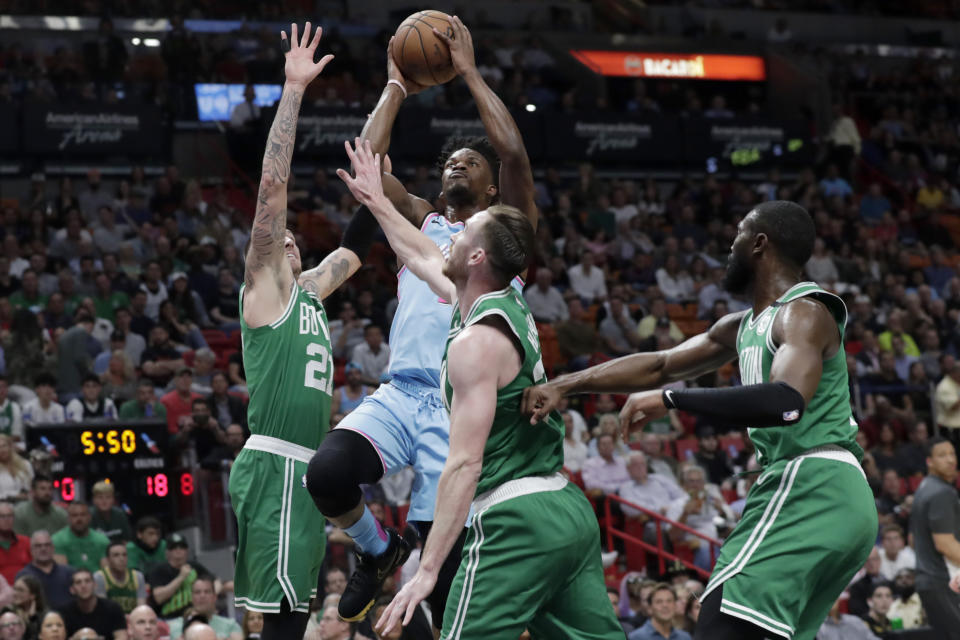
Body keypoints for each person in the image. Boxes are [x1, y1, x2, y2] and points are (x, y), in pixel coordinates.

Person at [523, 200, 877, 640]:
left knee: (720, 617)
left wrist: (674, 400)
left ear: (760, 244)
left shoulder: (802, 312)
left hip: (813, 481)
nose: (731, 246)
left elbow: (786, 401)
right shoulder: (745, 324)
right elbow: (660, 364)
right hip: (833, 496)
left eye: (739, 235)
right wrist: (565, 386)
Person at [306, 13, 540, 629]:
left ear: (494, 192)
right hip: (403, 391)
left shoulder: (508, 236)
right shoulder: (423, 224)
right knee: (327, 474)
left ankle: (417, 576)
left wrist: (466, 71)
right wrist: (395, 86)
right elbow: (370, 163)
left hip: (458, 403)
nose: (457, 166)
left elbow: (513, 150)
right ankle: (378, 549)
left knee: (434, 593)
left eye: (471, 163)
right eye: (451, 162)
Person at [337, 139, 622, 639]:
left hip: (515, 515)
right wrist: (376, 201)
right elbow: (421, 253)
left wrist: (426, 570)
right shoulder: (479, 299)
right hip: (566, 510)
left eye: (463, 232)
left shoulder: (475, 342)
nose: (450, 235)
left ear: (476, 256)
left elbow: (465, 464)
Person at [227, 22, 342, 640]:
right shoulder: (266, 290)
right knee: (283, 619)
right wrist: (294, 90)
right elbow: (272, 190)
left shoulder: (314, 293)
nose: (287, 235)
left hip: (309, 470)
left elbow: (355, 247)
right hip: (276, 465)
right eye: (281, 236)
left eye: (298, 236)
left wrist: (393, 96)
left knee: (294, 615)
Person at [910, 435, 960, 638]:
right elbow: (945, 544)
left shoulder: (924, 487)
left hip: (929, 582)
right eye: (942, 455)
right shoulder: (941, 493)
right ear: (929, 462)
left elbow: (913, 539)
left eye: (952, 453)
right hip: (942, 581)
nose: (950, 459)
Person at [146, 533, 212, 620]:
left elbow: (215, 582)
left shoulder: (195, 567)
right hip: (168, 619)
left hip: (195, 616)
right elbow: (159, 597)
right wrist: (181, 577)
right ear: (167, 552)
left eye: (182, 547)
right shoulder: (159, 570)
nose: (178, 550)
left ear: (187, 550)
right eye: (174, 548)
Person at [166, 576, 242, 640]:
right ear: (191, 597)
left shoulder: (230, 624)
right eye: (197, 592)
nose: (202, 596)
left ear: (215, 597)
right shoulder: (177, 625)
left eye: (207, 592)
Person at [60, 569, 127, 640]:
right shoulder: (64, 613)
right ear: (72, 589)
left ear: (95, 585)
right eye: (78, 582)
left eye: (87, 581)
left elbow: (121, 636)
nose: (83, 585)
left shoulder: (113, 608)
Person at [52, 503, 110, 574]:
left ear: (89, 517)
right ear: (68, 518)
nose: (79, 519)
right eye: (74, 515)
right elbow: (62, 574)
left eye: (83, 515)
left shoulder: (102, 540)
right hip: (70, 582)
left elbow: (106, 573)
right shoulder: (57, 540)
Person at [93, 542, 147, 614]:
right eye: (116, 555)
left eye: (124, 555)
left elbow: (142, 609)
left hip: (133, 621)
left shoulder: (138, 576)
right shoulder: (99, 577)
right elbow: (103, 610)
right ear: (108, 559)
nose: (121, 559)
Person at [0, 503, 30, 585]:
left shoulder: (26, 542)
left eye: (9, 516)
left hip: (25, 591)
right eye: (2, 516)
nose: (6, 519)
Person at [13, 574, 48, 639]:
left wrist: (32, 618)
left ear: (33, 595)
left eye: (20, 590)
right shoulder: (8, 612)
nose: (15, 593)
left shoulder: (44, 615)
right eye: (14, 589)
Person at [0, 377, 23, 444]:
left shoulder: (14, 407)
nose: (1, 390)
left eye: (3, 387)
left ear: (7, 389)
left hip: (10, 445)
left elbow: (17, 436)